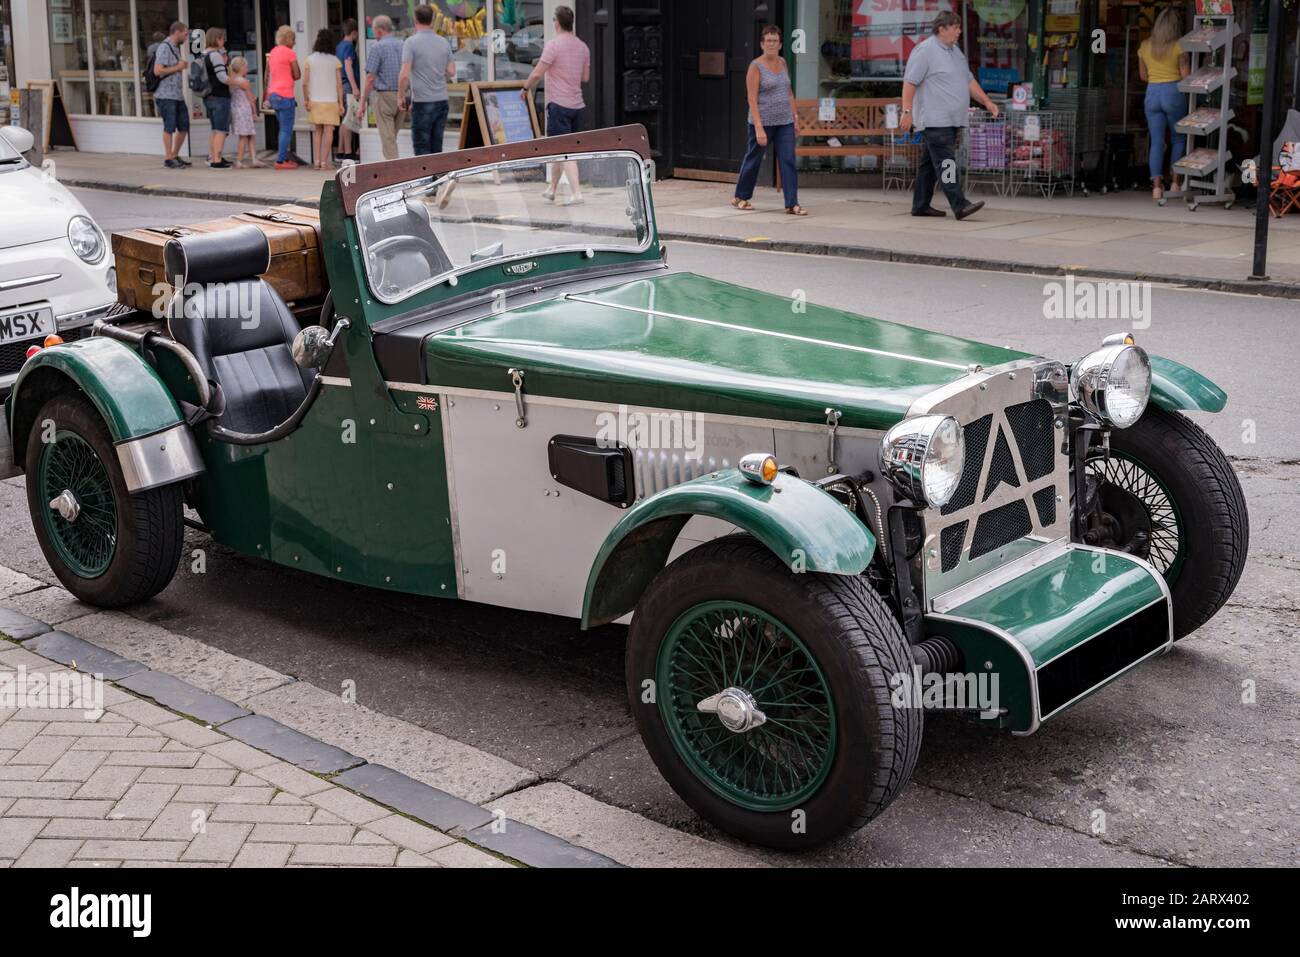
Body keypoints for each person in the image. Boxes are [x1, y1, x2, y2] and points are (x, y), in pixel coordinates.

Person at [901, 10, 999, 221]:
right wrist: (907, 111)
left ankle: (920, 205)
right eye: (955, 27)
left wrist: (987, 101)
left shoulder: (956, 52)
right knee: (947, 162)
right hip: (935, 119)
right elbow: (910, 82)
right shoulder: (925, 51)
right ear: (941, 29)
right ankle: (959, 204)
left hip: (952, 119)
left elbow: (969, 81)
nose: (959, 32)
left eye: (959, 27)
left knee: (929, 165)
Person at [521, 5, 590, 204]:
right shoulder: (582, 47)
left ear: (557, 23)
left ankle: (576, 192)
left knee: (565, 150)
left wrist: (525, 89)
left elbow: (537, 73)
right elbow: (585, 77)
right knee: (559, 148)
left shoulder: (553, 46)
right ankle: (552, 188)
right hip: (577, 105)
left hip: (559, 104)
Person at [732, 24, 804, 216]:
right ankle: (741, 196)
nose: (772, 44)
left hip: (785, 122)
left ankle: (792, 203)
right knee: (754, 159)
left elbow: (788, 92)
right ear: (762, 44)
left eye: (775, 40)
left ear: (780, 44)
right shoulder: (756, 66)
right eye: (768, 40)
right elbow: (751, 98)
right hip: (763, 122)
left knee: (788, 159)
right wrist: (759, 127)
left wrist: (795, 117)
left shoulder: (783, 62)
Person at [1140, 8, 1191, 201]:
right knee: (1178, 139)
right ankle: (1176, 183)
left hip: (1151, 93)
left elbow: (1143, 76)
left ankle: (1156, 187)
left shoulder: (1145, 46)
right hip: (1173, 92)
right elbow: (1185, 75)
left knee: (1157, 142)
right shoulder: (1179, 46)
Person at [400, 4, 455, 156]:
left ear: (415, 20)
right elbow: (451, 71)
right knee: (437, 146)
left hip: (422, 101)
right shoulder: (444, 42)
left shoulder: (410, 42)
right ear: (432, 20)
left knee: (421, 147)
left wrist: (400, 97)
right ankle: (438, 178)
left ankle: (426, 179)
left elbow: (404, 75)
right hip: (442, 100)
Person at [358, 15, 405, 161]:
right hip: (402, 95)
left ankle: (395, 174)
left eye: (374, 31)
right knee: (391, 137)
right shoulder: (403, 44)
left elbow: (370, 77)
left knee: (388, 138)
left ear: (379, 31)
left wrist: (362, 103)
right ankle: (393, 167)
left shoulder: (377, 47)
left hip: (384, 97)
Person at [304, 29, 343, 169]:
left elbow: (304, 82)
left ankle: (316, 162)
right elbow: (339, 84)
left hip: (315, 99)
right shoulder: (335, 61)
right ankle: (325, 162)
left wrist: (306, 99)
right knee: (328, 130)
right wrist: (341, 103)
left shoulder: (310, 59)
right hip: (331, 100)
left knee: (317, 131)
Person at [153, 21, 190, 169]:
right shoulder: (164, 47)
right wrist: (178, 67)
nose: (187, 37)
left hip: (177, 94)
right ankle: (168, 158)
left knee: (184, 125)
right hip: (165, 94)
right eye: (185, 34)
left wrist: (180, 66)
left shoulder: (175, 48)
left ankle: (174, 155)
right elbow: (158, 70)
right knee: (169, 127)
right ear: (177, 32)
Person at [264, 25, 302, 169]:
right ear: (289, 38)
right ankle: (280, 161)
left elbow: (269, 74)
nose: (294, 43)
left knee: (283, 128)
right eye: (294, 39)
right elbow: (297, 74)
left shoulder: (273, 52)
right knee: (286, 129)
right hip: (285, 94)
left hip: (273, 94)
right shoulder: (289, 53)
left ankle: (283, 158)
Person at [202, 27, 232, 169]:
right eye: (221, 38)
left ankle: (212, 157)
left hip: (208, 96)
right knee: (221, 130)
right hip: (220, 96)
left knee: (214, 129)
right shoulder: (215, 55)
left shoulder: (204, 54)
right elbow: (222, 77)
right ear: (216, 39)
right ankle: (217, 160)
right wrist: (239, 82)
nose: (223, 40)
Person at [227, 56, 263, 168]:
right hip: (245, 110)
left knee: (249, 134)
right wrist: (254, 112)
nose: (247, 69)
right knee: (245, 136)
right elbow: (250, 99)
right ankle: (239, 161)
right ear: (242, 68)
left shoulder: (231, 81)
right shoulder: (244, 82)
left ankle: (253, 159)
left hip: (236, 110)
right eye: (246, 67)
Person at [336, 19, 361, 161]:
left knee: (344, 118)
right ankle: (348, 152)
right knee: (348, 119)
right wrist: (355, 87)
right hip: (348, 85)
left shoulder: (339, 46)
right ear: (354, 32)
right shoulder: (349, 47)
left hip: (341, 84)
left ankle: (340, 151)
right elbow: (348, 65)